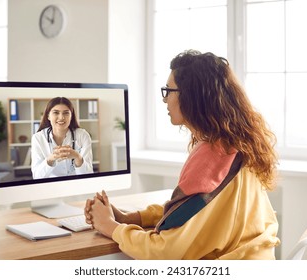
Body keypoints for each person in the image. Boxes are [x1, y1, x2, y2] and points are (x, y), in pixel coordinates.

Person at [84, 50, 280, 260]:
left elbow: (165, 252)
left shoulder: (212, 160)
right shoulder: (237, 144)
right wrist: (131, 218)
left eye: (169, 90)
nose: (165, 99)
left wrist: (111, 227)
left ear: (192, 96)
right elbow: (193, 214)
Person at [31, 97, 93, 179]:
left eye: (66, 113)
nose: (61, 117)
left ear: (71, 116)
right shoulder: (38, 138)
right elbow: (37, 176)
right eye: (56, 112)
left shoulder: (83, 135)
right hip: (51, 187)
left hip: (77, 185)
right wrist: (50, 159)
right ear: (48, 116)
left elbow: (88, 176)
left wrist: (77, 157)